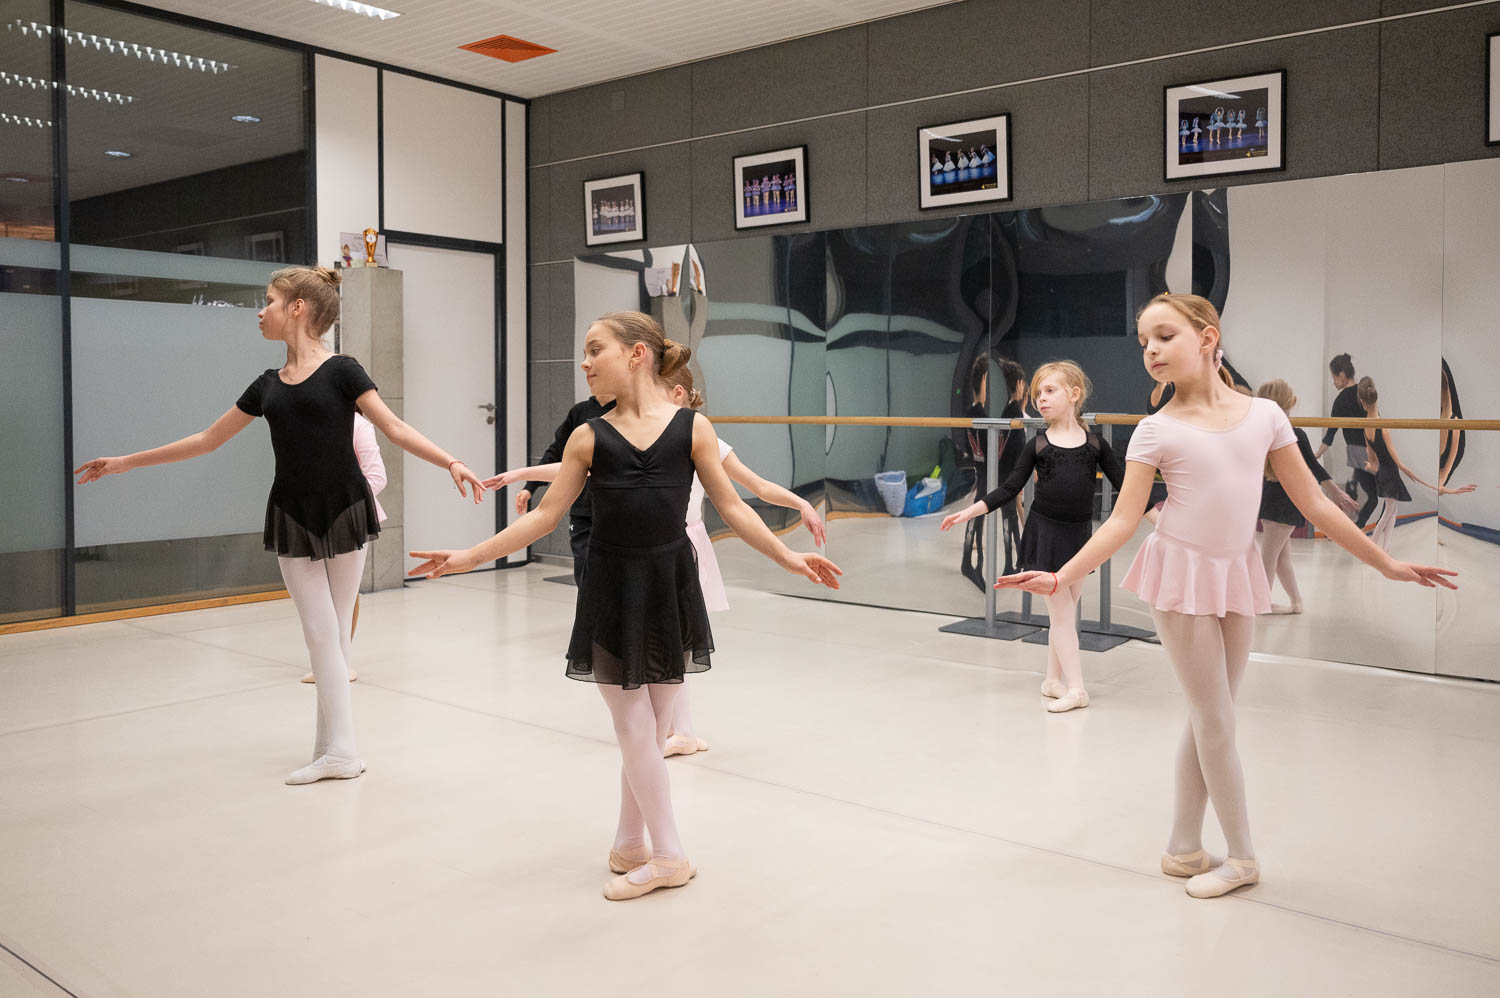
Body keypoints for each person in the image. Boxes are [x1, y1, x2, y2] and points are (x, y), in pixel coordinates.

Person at [998, 293, 1457, 899]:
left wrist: (1385, 562)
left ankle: (1184, 848)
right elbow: (1121, 521)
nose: (1150, 352)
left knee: (1211, 716)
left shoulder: (1266, 415)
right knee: (1216, 719)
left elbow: (1314, 503)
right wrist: (1061, 578)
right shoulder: (1153, 431)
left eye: (1163, 336)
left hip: (1238, 572)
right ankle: (1243, 857)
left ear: (1208, 337)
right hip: (1181, 577)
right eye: (1143, 343)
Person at [409, 312, 841, 901]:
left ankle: (644, 848)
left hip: (670, 583)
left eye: (594, 350)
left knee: (649, 731)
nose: (584, 363)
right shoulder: (589, 437)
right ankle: (657, 851)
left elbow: (734, 509)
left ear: (637, 354)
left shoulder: (694, 429)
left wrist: (788, 557)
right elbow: (543, 516)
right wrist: (469, 556)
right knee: (636, 730)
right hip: (611, 588)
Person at [75, 266, 485, 785]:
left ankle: (339, 750)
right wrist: (126, 461)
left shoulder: (343, 370)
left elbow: (393, 426)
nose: (260, 311)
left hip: (344, 509)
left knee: (332, 637)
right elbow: (206, 439)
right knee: (322, 636)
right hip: (291, 512)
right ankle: (333, 747)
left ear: (298, 308)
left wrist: (450, 460)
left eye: (268, 301)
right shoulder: (266, 385)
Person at [492, 363, 828, 758]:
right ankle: (671, 730)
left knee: (673, 643)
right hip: (648, 549)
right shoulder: (622, 434)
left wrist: (800, 502)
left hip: (679, 549)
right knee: (663, 644)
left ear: (677, 395)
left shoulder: (698, 436)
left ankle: (673, 731)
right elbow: (574, 468)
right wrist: (522, 475)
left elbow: (753, 489)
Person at [941, 361, 1133, 714]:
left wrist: (1162, 519)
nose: (1041, 399)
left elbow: (1129, 489)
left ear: (1074, 394)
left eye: (1050, 391)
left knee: (1066, 614)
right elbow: (1010, 487)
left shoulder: (1095, 444)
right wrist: (970, 511)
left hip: (1079, 539)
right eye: (1038, 393)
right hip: (1045, 535)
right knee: (1061, 616)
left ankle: (1051, 679)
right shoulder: (1038, 445)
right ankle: (1077, 688)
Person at [1254, 380, 1358, 614]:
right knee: (1280, 557)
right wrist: (1335, 491)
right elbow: (1314, 467)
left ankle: (1263, 602)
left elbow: (1313, 467)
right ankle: (1296, 602)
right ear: (1291, 402)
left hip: (1281, 500)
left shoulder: (1289, 433)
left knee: (1269, 556)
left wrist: (1335, 491)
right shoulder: (1282, 432)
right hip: (1277, 499)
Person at [301, 411, 386, 683]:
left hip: (349, 518)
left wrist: (340, 507)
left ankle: (339, 660)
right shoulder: (309, 424)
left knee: (344, 596)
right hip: (309, 517)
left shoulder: (359, 426)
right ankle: (326, 660)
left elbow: (376, 476)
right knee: (317, 593)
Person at [507, 394, 617, 583]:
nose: (588, 367)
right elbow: (557, 452)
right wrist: (530, 487)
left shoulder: (627, 411)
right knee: (585, 572)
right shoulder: (580, 412)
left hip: (616, 510)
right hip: (584, 509)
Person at [1357, 377, 1474, 552]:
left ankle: (1386, 548)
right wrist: (1407, 470)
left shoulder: (1365, 427)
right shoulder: (1383, 426)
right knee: (1388, 512)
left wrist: (1369, 467)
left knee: (1393, 511)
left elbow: (1373, 461)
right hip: (1390, 473)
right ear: (1375, 398)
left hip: (1384, 473)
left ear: (1362, 402)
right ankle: (1372, 547)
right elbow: (1395, 458)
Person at [1313, 353, 1378, 528]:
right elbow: (1377, 420)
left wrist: (1318, 453)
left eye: (1334, 378)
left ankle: (1345, 528)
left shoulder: (1341, 400)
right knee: (1368, 495)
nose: (1334, 382)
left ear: (1341, 375)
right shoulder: (1364, 393)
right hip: (1371, 449)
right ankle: (1351, 527)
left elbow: (1330, 433)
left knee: (1363, 494)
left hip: (1357, 452)